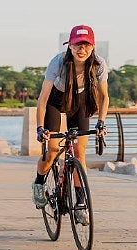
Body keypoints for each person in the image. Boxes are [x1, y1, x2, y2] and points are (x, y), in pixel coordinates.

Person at [33, 25, 109, 225]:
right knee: (51, 151)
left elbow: (104, 97)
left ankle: (81, 204)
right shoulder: (58, 62)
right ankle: (39, 183)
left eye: (85, 45)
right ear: (70, 46)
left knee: (79, 153)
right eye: (77, 45)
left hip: (80, 102)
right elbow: (42, 99)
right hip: (55, 102)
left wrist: (101, 123)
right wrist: (40, 128)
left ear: (92, 47)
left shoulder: (99, 65)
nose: (81, 50)